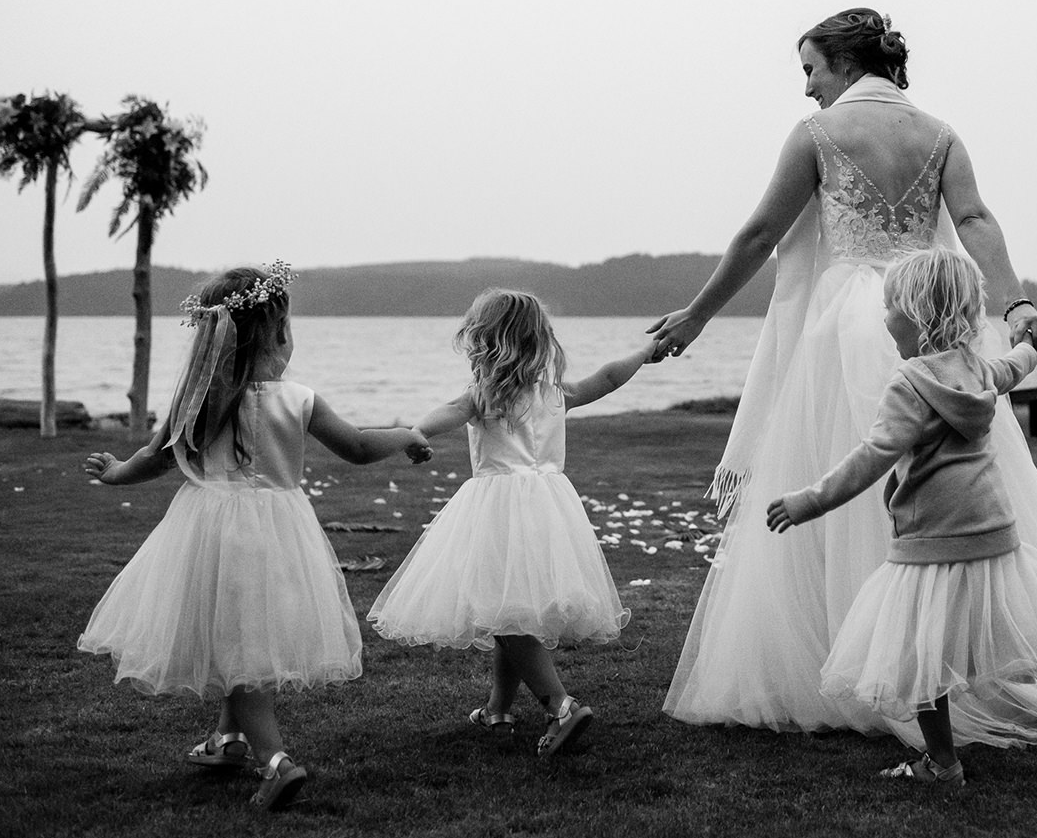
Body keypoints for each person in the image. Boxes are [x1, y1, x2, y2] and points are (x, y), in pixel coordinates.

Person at [652, 7, 1037, 747]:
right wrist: (1015, 299)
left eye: (810, 70)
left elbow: (761, 235)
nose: (806, 89)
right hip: (938, 318)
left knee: (869, 480)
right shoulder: (940, 133)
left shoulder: (817, 136)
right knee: (974, 491)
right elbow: (977, 219)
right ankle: (1019, 646)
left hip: (850, 324)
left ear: (843, 64)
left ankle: (884, 667)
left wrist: (698, 316)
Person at [766, 249, 1037, 786]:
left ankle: (942, 764)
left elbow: (872, 456)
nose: (884, 316)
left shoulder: (909, 384)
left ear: (915, 314)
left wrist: (810, 502)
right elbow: (1017, 366)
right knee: (998, 620)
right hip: (991, 526)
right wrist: (1029, 343)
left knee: (918, 658)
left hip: (931, 538)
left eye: (890, 306)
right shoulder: (977, 369)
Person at [79, 262, 432, 811]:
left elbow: (156, 459)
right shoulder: (296, 399)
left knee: (235, 641)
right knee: (246, 641)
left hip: (209, 531)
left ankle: (270, 758)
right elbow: (359, 446)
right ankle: (240, 744)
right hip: (278, 534)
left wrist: (115, 472)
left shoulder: (198, 400)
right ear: (277, 333)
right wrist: (406, 434)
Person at [368, 288, 659, 758]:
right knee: (509, 608)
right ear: (538, 340)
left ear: (483, 340)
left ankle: (561, 706)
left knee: (502, 610)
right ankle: (497, 710)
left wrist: (416, 433)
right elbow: (607, 378)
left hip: (498, 511)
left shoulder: (483, 397)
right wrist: (646, 351)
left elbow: (445, 412)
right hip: (549, 509)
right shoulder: (555, 393)